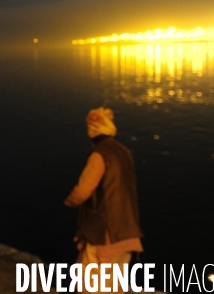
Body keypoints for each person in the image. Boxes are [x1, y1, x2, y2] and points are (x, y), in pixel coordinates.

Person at [63, 107, 143, 293]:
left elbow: (83, 191)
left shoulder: (99, 155)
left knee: (88, 284)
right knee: (115, 285)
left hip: (105, 235)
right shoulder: (124, 153)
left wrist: (69, 200)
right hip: (128, 232)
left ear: (92, 131)